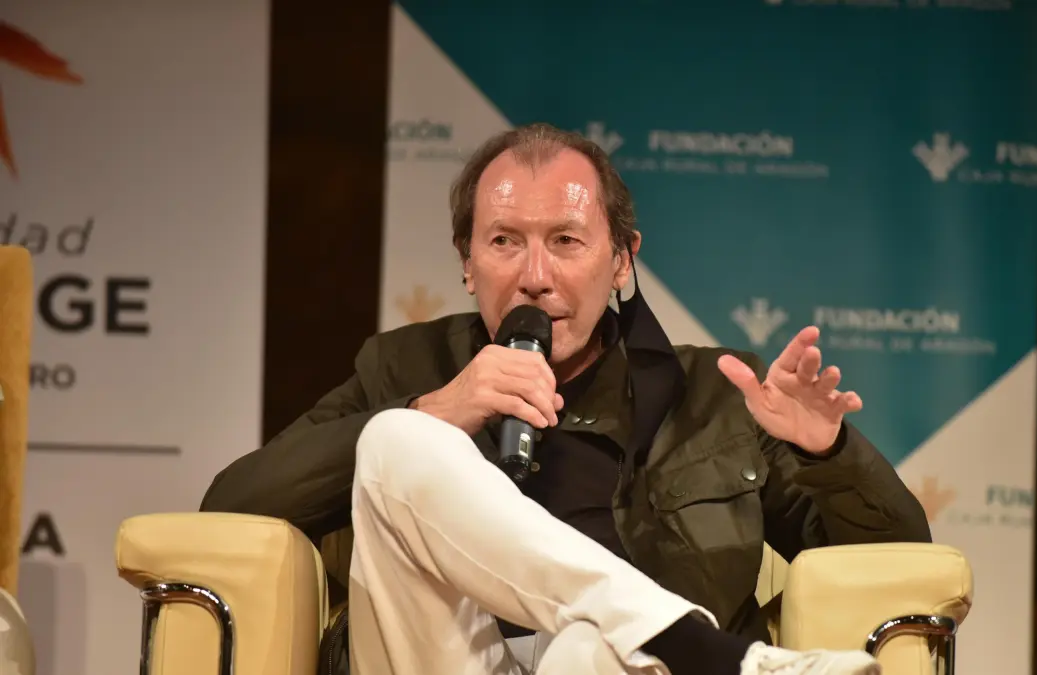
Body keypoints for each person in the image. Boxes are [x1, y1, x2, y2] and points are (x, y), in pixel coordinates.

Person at [200, 123, 932, 675]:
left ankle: (657, 638)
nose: (535, 276)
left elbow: (898, 559)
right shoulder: (403, 367)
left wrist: (828, 452)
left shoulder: (717, 393)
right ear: (466, 263)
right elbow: (232, 504)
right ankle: (705, 652)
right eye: (503, 241)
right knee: (395, 438)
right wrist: (439, 410)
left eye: (566, 241)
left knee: (590, 647)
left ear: (621, 262)